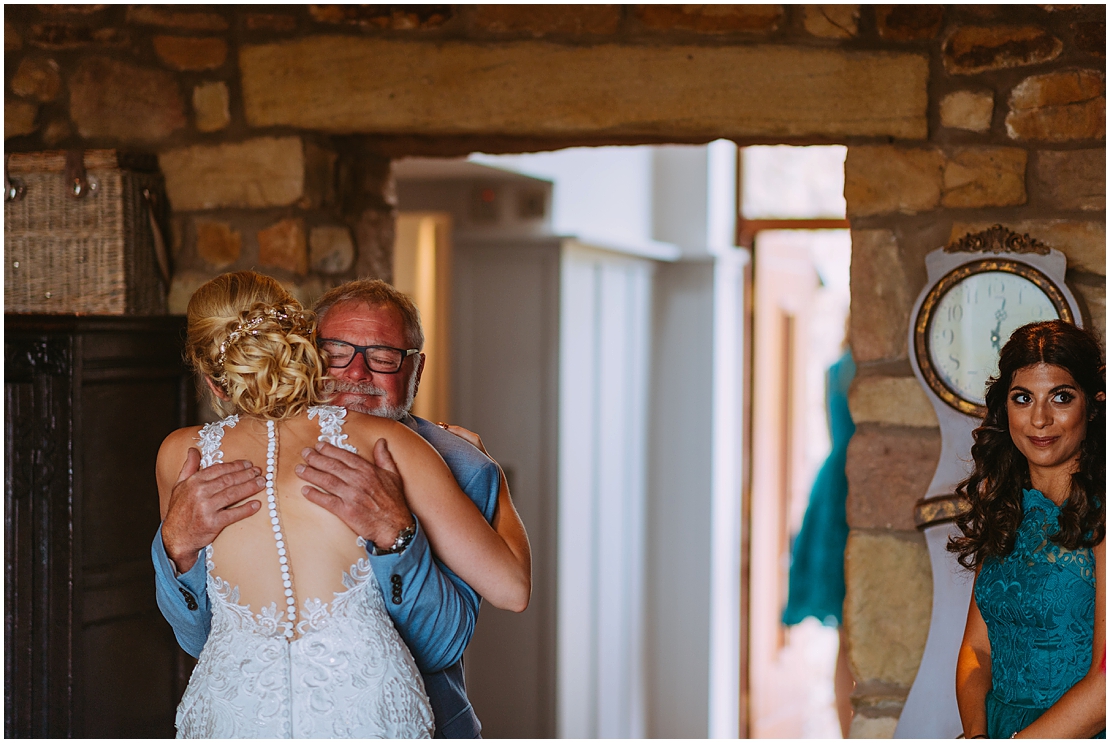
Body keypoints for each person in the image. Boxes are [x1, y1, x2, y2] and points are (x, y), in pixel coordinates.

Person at [156, 272, 530, 737]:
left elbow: (444, 642)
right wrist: (175, 545)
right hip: (239, 711)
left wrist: (399, 533)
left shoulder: (457, 462)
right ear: (303, 352)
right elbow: (199, 636)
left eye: (384, 357)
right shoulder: (196, 474)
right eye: (337, 354)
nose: (357, 374)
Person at [949, 320, 1105, 739]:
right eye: (1023, 398)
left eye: (1061, 397)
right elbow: (977, 649)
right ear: (1006, 408)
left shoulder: (1102, 515)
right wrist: (977, 734)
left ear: (1092, 406)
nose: (1040, 419)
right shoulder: (1004, 507)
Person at [781, 346, 856, 737]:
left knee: (845, 638)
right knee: (850, 634)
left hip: (832, 490)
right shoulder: (859, 370)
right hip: (851, 492)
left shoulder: (836, 370)